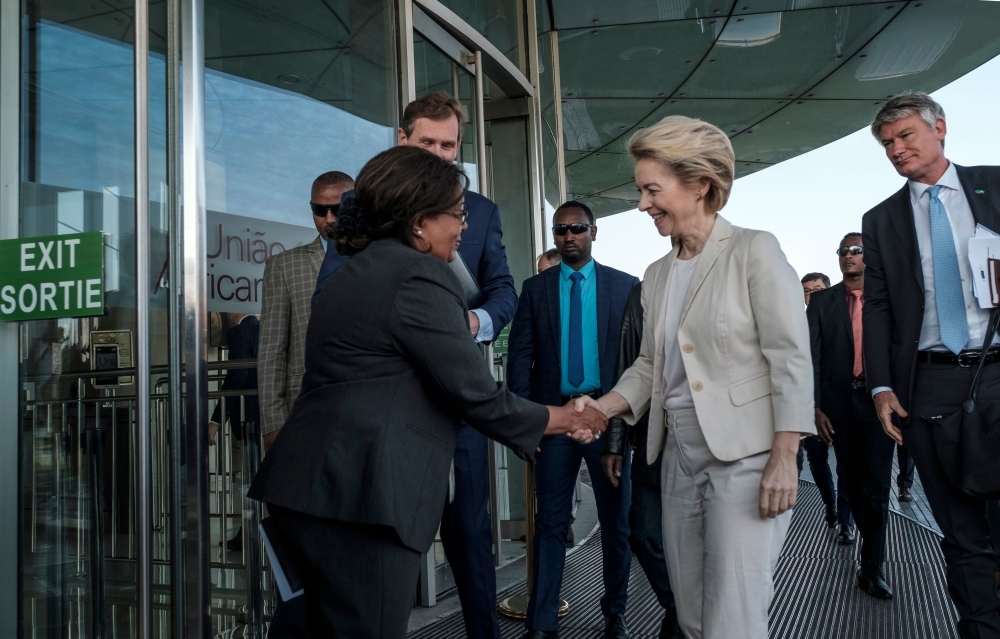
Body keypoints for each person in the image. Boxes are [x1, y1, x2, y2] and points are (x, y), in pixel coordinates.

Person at [248, 146, 606, 639]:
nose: (463, 229)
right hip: (363, 500)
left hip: (308, 491)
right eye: (457, 215)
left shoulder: (353, 267)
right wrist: (566, 419)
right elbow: (473, 391)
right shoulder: (419, 275)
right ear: (419, 223)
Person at [580, 115, 814, 639]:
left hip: (747, 459)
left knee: (733, 619)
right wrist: (602, 408)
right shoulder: (657, 274)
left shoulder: (754, 250)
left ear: (700, 184)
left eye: (651, 190)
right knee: (690, 618)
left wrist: (785, 455)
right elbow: (649, 367)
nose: (642, 205)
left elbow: (791, 357)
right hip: (678, 459)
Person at [312, 93, 518, 639]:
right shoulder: (365, 204)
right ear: (403, 140)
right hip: (388, 414)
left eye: (449, 145)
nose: (440, 153)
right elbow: (334, 291)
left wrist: (475, 325)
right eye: (427, 142)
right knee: (381, 554)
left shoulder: (482, 211)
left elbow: (502, 290)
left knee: (471, 541)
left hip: (460, 408)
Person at [862, 91, 1000, 637]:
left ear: (939, 128)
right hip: (932, 385)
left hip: (998, 371)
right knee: (960, 531)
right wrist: (880, 386)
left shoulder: (995, 184)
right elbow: (878, 309)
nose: (896, 150)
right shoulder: (881, 220)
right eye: (887, 144)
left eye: (906, 136)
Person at [508, 201, 638, 639]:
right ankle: (541, 622)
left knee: (617, 522)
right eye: (560, 230)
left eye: (577, 228)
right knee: (549, 524)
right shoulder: (536, 289)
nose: (568, 237)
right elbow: (520, 359)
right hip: (555, 421)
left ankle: (614, 612)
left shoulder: (625, 288)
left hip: (607, 419)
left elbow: (636, 365)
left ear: (594, 232)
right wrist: (527, 425)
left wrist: (619, 433)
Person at [257, 170, 353, 638]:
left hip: (361, 430)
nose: (329, 218)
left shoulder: (382, 260)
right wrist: (273, 424)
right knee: (300, 551)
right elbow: (270, 350)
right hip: (301, 427)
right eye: (320, 209)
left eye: (339, 207)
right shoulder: (285, 266)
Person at [808, 233, 896, 598]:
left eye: (856, 250)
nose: (848, 256)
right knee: (853, 481)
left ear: (869, 256)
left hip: (878, 405)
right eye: (843, 251)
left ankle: (872, 567)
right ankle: (865, 540)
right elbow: (810, 357)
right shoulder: (823, 302)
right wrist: (813, 407)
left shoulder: (888, 297)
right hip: (837, 405)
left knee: (876, 488)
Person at [601, 280, 682, 639]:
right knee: (644, 533)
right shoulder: (646, 288)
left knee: (702, 541)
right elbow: (631, 365)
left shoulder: (736, 273)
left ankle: (686, 618)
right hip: (653, 434)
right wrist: (614, 442)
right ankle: (681, 607)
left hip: (714, 441)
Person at [800, 273, 855, 541]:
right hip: (809, 405)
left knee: (846, 464)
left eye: (817, 289)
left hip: (840, 403)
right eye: (806, 291)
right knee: (817, 460)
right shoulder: (794, 324)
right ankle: (830, 503)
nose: (811, 295)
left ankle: (846, 522)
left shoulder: (842, 318)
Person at [208, 312, 260, 552]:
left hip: (252, 417)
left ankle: (248, 537)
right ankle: (247, 535)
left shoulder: (238, 332)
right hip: (277, 415)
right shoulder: (267, 327)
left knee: (255, 479)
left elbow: (236, 376)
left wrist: (216, 420)